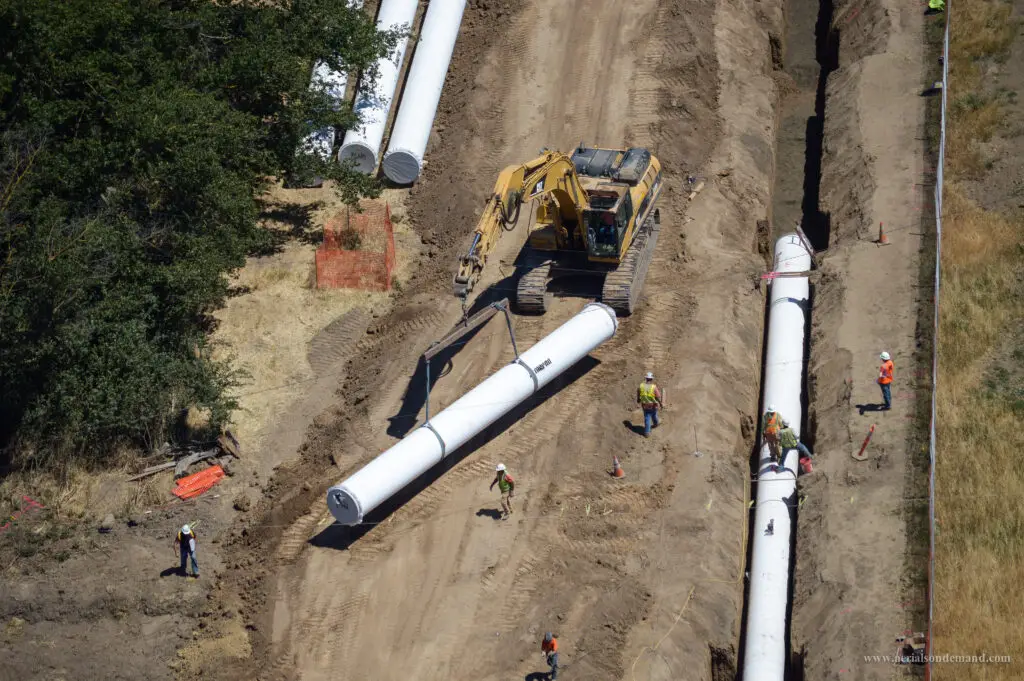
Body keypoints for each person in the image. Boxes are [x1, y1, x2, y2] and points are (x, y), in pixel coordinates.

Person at [636, 371, 665, 437]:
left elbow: (638, 391)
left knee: (647, 417)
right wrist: (660, 404)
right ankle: (654, 425)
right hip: (653, 405)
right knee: (654, 414)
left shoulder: (641, 386)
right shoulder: (653, 387)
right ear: (651, 379)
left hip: (645, 405)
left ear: (646, 378)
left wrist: (638, 399)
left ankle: (647, 432)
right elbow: (658, 397)